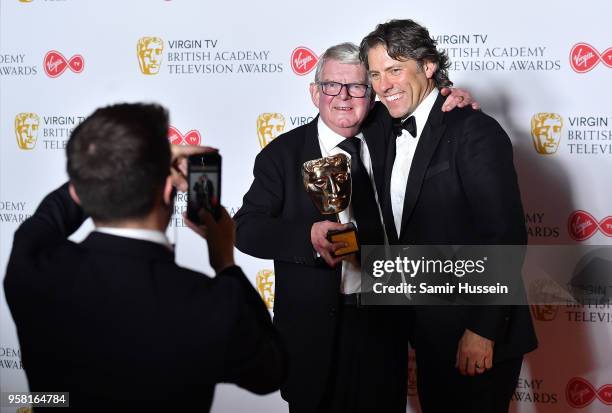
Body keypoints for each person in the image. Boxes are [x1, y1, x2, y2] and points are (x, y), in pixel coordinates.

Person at [234, 42, 475, 413]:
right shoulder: (282, 155)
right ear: (315, 92)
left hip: (383, 323)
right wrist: (308, 237)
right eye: (332, 85)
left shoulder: (390, 132)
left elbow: (424, 102)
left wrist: (450, 99)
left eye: (358, 87)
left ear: (372, 94)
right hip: (312, 331)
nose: (344, 97)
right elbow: (246, 228)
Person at [4, 103, 285, 411]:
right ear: (168, 191)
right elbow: (270, 372)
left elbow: (62, 203)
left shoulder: (32, 265)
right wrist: (225, 263)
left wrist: (125, 162)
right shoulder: (212, 302)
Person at [360, 19, 538, 413]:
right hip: (427, 331)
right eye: (375, 74)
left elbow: (504, 236)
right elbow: (338, 109)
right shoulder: (381, 127)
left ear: (427, 66)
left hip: (473, 332)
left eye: (394, 69)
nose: (383, 84)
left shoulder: (474, 130)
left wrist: (482, 330)